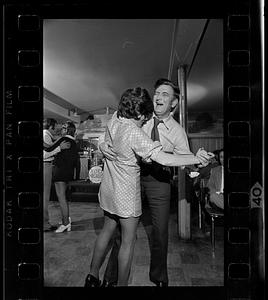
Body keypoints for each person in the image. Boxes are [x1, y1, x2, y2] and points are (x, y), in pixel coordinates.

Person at [84, 87, 212, 287]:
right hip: (127, 189)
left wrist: (192, 161)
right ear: (140, 113)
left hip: (118, 186)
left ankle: (93, 277)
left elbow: (177, 158)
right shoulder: (135, 131)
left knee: (115, 231)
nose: (146, 120)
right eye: (157, 93)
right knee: (127, 239)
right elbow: (160, 156)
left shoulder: (116, 118)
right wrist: (197, 157)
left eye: (165, 95)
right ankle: (118, 282)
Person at [51, 121, 80, 233]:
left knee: (61, 198)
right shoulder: (73, 142)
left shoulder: (62, 140)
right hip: (67, 173)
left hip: (60, 172)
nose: (61, 130)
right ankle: (66, 220)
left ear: (67, 130)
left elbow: (48, 149)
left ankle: (65, 224)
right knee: (64, 198)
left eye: (63, 128)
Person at [43, 118, 70, 232]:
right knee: (44, 197)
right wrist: (60, 148)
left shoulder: (47, 135)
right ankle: (44, 224)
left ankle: (45, 223)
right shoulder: (45, 135)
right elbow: (45, 154)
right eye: (57, 127)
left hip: (47, 166)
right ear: (51, 127)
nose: (58, 129)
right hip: (45, 165)